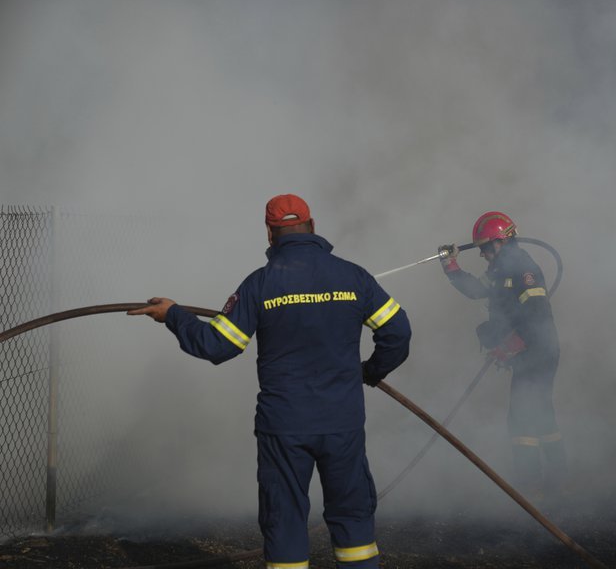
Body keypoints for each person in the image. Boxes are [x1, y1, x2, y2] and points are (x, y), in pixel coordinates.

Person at [129, 193, 411, 569]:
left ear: (269, 233)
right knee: (353, 517)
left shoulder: (259, 284)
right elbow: (398, 334)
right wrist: (370, 372)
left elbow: (216, 345)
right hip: (342, 423)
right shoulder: (353, 277)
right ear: (313, 226)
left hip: (284, 427)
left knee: (285, 520)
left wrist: (174, 316)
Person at [438, 211, 566, 501]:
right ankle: (559, 480)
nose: (482, 254)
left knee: (521, 418)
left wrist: (514, 343)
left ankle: (529, 487)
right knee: (542, 413)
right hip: (532, 352)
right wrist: (451, 266)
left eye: (485, 247)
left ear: (500, 241)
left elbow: (537, 314)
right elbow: (476, 290)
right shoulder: (499, 270)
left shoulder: (523, 268)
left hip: (539, 352)